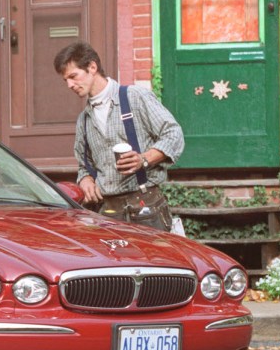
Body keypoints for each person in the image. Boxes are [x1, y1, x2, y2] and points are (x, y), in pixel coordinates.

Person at [54, 41, 184, 231]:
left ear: (92, 67)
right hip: (107, 214)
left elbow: (174, 134)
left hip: (145, 208)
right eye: (66, 80)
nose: (70, 85)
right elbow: (84, 166)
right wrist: (86, 180)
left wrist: (144, 160)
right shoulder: (84, 120)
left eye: (73, 76)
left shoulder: (135, 97)